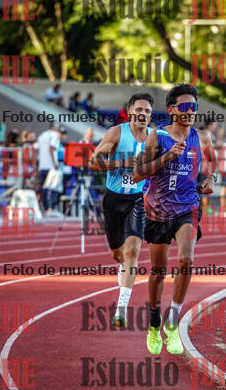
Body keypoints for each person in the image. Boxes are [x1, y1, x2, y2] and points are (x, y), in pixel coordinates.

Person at [133, 83, 216, 355]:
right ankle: (154, 323)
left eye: (194, 107)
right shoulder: (157, 137)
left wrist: (211, 179)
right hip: (157, 210)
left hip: (187, 208)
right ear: (171, 110)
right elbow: (138, 173)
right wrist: (167, 156)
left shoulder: (202, 138)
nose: (190, 111)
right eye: (185, 107)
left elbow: (211, 163)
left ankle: (173, 321)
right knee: (158, 272)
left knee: (186, 260)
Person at [88, 93, 154, 327]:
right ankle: (122, 263)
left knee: (133, 251)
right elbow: (93, 162)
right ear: (130, 111)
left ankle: (121, 310)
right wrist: (120, 164)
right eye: (139, 109)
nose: (143, 114)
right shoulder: (116, 133)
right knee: (118, 253)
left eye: (147, 111)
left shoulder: (155, 138)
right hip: (113, 200)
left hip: (136, 200)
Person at [36, 123, 62, 216]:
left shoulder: (42, 135)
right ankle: (51, 208)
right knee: (53, 188)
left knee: (44, 188)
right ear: (55, 127)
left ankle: (45, 209)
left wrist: (37, 164)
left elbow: (37, 150)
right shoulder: (54, 135)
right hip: (50, 166)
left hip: (42, 165)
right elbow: (51, 148)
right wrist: (54, 163)